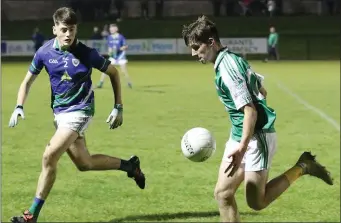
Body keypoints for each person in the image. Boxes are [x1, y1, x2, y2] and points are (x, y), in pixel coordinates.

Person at [181, 15, 333, 222]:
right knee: (223, 194)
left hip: (256, 137)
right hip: (241, 135)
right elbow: (263, 91)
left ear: (211, 42)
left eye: (196, 47)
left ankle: (304, 166)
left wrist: (243, 147)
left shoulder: (227, 69)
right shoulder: (232, 59)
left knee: (256, 202)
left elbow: (250, 111)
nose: (193, 53)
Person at [8, 7, 145, 223]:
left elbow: (113, 73)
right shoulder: (44, 53)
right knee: (84, 163)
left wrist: (118, 106)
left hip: (81, 111)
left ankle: (31, 215)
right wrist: (18, 106)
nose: (68, 34)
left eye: (72, 29)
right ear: (55, 29)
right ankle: (130, 166)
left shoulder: (87, 53)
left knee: (49, 155)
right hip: (60, 115)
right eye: (63, 30)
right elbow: (27, 81)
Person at [97, 24, 132, 89]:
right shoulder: (109, 37)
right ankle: (100, 83)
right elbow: (110, 47)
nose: (111, 30)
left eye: (112, 29)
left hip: (121, 56)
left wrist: (118, 49)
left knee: (123, 71)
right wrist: (110, 52)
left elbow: (125, 46)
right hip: (113, 56)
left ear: (116, 29)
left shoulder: (121, 37)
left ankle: (129, 83)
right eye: (110, 29)